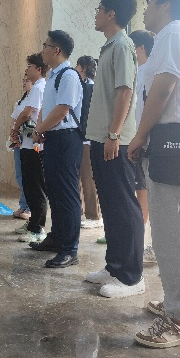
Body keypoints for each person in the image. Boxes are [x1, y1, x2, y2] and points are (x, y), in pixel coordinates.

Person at [127, 0, 180, 349]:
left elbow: (163, 89)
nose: (145, 10)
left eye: (149, 3)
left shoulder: (175, 33)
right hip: (170, 143)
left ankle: (179, 319)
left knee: (174, 231)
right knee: (168, 229)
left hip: (174, 143)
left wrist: (139, 134)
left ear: (165, 5)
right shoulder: (170, 37)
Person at [84, 0, 145, 299]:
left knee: (123, 206)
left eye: (99, 9)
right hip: (102, 138)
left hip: (115, 141)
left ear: (111, 14)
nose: (96, 14)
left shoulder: (122, 45)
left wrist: (114, 135)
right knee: (109, 204)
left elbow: (125, 91)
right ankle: (114, 266)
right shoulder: (109, 46)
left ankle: (132, 277)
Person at [30, 30, 84, 269]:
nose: (42, 50)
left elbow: (62, 110)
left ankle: (70, 249)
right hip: (53, 137)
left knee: (67, 194)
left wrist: (39, 128)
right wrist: (42, 129)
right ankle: (57, 237)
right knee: (54, 190)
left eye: (45, 45)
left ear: (56, 50)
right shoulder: (53, 76)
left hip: (66, 139)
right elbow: (48, 107)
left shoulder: (69, 75)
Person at [11, 53, 48, 242]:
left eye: (30, 66)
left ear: (38, 69)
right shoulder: (37, 88)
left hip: (34, 145)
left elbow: (27, 113)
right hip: (27, 144)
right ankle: (33, 222)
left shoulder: (39, 87)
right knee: (29, 184)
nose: (27, 70)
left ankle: (38, 228)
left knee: (35, 186)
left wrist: (15, 129)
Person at [128, 29, 157, 265]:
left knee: (145, 194)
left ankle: (145, 244)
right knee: (141, 192)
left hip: (147, 142)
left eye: (131, 48)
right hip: (138, 140)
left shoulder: (149, 72)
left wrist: (140, 137)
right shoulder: (140, 72)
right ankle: (137, 240)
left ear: (140, 49)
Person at [75, 55, 102, 230]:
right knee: (80, 177)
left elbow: (86, 116)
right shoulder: (84, 87)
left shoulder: (90, 88)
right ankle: (83, 212)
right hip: (82, 138)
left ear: (84, 68)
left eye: (78, 66)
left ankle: (94, 215)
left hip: (86, 139)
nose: (76, 69)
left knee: (87, 177)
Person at [10, 78, 32, 220]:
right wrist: (13, 134)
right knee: (20, 175)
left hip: (30, 142)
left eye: (27, 80)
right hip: (18, 142)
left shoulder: (36, 97)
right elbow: (14, 119)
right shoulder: (20, 101)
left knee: (29, 176)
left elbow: (27, 116)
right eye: (23, 80)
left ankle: (30, 208)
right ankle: (23, 204)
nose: (24, 83)